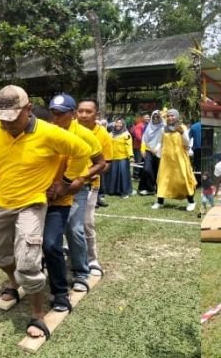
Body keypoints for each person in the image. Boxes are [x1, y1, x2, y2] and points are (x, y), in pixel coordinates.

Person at [0, 85, 92, 341]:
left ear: (28, 109)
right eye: (3, 119)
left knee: (29, 262)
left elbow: (83, 151)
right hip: (3, 201)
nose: (7, 125)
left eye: (13, 119)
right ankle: (15, 281)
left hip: (32, 203)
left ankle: (38, 313)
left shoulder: (49, 133)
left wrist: (65, 180)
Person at [45, 94, 105, 299]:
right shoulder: (49, 131)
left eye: (60, 114)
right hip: (50, 187)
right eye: (53, 112)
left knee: (74, 228)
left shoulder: (85, 135)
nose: (55, 117)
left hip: (76, 189)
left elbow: (101, 163)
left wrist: (81, 177)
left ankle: (81, 271)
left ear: (71, 115)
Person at [76, 98, 113, 276]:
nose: (83, 115)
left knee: (87, 223)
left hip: (90, 185)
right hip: (65, 185)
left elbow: (106, 164)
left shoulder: (103, 135)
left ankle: (92, 259)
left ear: (96, 114)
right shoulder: (68, 129)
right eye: (80, 111)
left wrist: (84, 174)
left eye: (88, 111)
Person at [152, 109, 196, 211]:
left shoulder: (182, 128)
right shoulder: (163, 129)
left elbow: (187, 143)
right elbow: (160, 142)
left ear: (176, 117)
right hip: (166, 159)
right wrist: (156, 148)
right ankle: (160, 201)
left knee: (183, 179)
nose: (170, 118)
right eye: (168, 116)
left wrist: (182, 133)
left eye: (172, 116)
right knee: (163, 179)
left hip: (179, 158)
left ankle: (191, 202)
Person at [106, 118, 133, 197]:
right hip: (113, 157)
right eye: (117, 123)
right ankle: (113, 191)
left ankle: (125, 192)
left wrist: (131, 156)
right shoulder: (111, 134)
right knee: (113, 175)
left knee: (123, 175)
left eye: (120, 123)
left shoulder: (126, 134)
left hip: (123, 158)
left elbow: (129, 146)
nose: (118, 124)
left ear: (123, 124)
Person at [139, 110, 164, 195]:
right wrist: (142, 149)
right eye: (154, 117)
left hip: (160, 151)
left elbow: (163, 140)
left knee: (159, 171)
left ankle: (159, 189)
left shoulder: (163, 127)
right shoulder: (148, 127)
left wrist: (157, 148)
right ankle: (150, 188)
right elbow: (144, 139)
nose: (155, 118)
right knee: (147, 169)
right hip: (148, 150)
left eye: (157, 117)